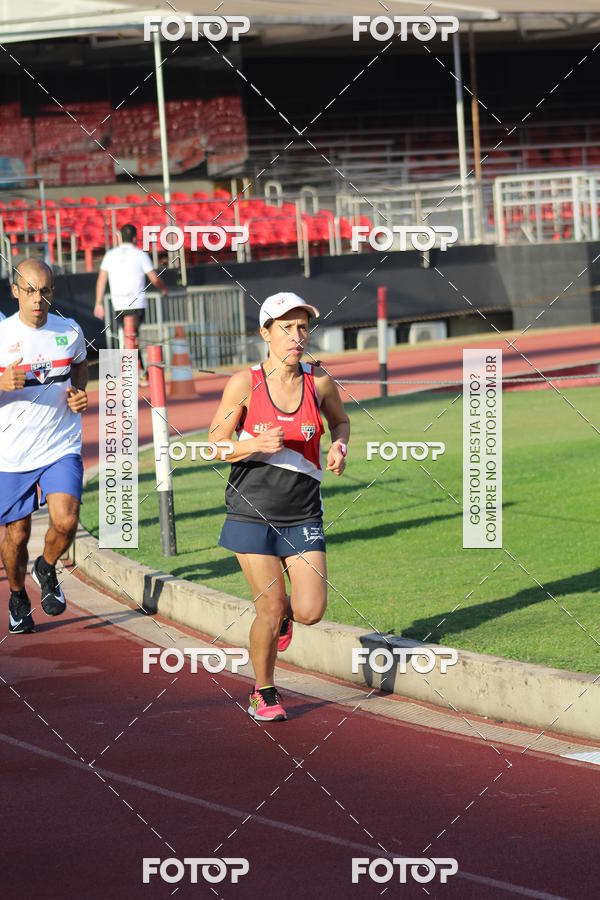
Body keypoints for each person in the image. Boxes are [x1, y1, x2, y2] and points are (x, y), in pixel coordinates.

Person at [209, 291, 350, 722]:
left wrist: (340, 444)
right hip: (251, 510)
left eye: (302, 327)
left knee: (308, 611)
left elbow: (341, 420)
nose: (296, 336)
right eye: (286, 328)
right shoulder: (244, 383)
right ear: (265, 333)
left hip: (303, 512)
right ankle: (263, 691)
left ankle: (286, 616)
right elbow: (214, 444)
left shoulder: (318, 381)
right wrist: (252, 444)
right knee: (268, 608)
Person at [0, 259, 88, 634]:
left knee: (66, 521)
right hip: (11, 452)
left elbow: (80, 365)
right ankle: (18, 594)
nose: (39, 299)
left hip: (59, 443)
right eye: (30, 290)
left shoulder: (69, 330)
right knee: (16, 534)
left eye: (45, 291)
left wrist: (80, 393)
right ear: (16, 291)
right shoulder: (2, 335)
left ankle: (47, 567)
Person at [94, 223, 167, 386]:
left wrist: (98, 303)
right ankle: (139, 372)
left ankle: (135, 372)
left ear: (119, 237)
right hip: (137, 304)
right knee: (131, 337)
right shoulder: (140, 255)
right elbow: (154, 278)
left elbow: (101, 280)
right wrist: (163, 289)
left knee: (128, 337)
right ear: (135, 238)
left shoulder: (110, 255)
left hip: (118, 304)